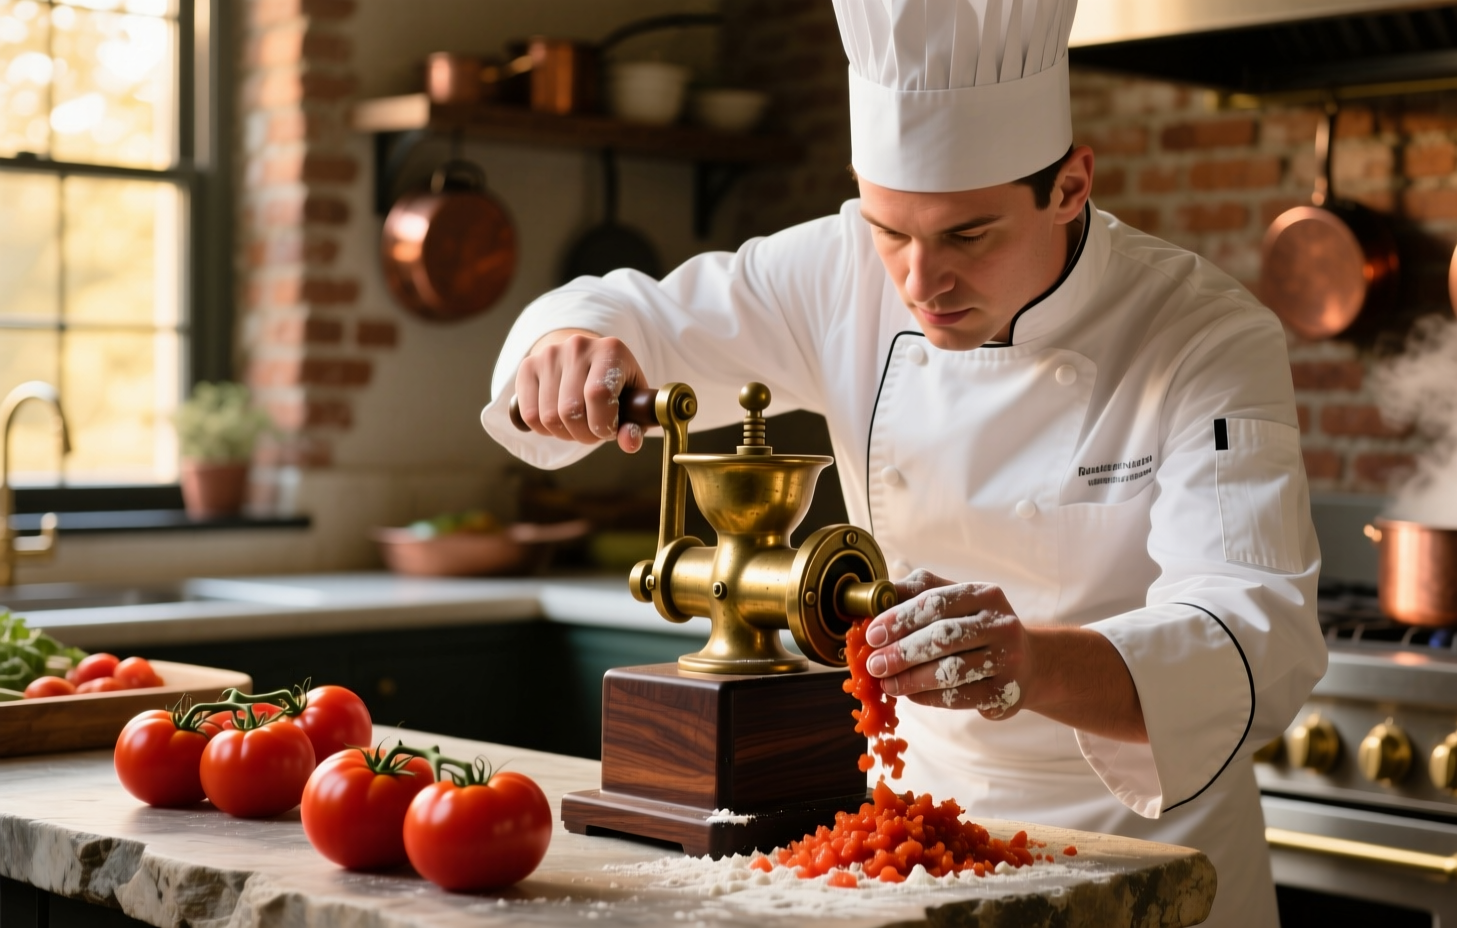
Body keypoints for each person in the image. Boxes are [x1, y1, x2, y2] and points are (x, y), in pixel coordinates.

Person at [481, 2, 1326, 924]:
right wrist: (570, 345)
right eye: (891, 230)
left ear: (1070, 186)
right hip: (920, 850)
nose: (921, 282)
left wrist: (1029, 663)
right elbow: (629, 312)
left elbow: (1254, 630)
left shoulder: (1205, 335)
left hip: (1152, 856)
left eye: (969, 235)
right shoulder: (835, 272)